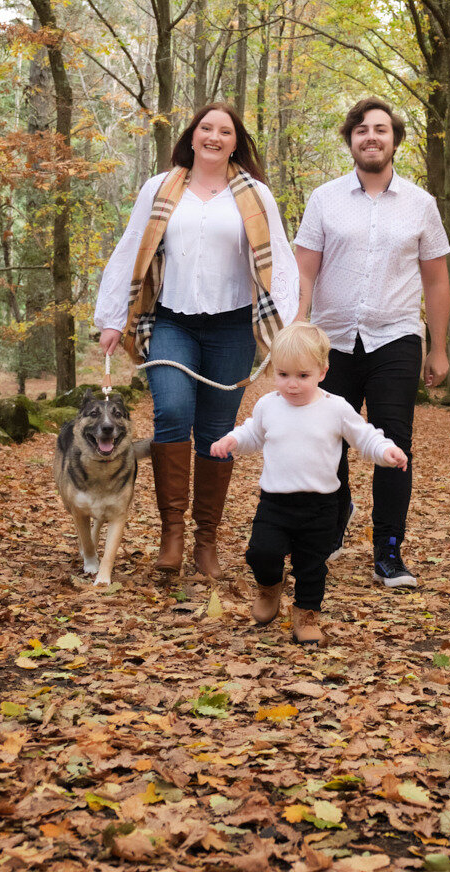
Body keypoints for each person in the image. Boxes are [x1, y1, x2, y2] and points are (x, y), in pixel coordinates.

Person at [93, 102, 298, 580]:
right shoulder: (162, 188)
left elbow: (280, 258)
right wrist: (110, 318)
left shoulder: (255, 194)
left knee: (214, 433)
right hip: (170, 323)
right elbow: (131, 248)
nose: (214, 137)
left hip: (232, 328)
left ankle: (206, 539)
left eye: (224, 131)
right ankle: (172, 533)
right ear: (192, 135)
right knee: (172, 411)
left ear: (235, 141)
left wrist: (287, 327)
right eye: (206, 128)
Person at [293, 97, 450, 590]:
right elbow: (303, 268)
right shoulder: (324, 199)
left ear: (395, 140)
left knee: (393, 445)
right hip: (331, 339)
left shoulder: (421, 205)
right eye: (361, 130)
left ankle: (388, 551)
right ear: (351, 141)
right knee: (325, 438)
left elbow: (438, 281)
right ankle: (335, 515)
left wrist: (439, 347)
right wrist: (298, 325)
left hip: (396, 338)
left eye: (380, 129)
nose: (371, 137)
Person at [210, 322, 407, 644]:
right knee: (262, 552)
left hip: (320, 506)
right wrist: (232, 440)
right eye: (283, 374)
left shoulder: (335, 408)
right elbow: (252, 433)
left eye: (303, 376)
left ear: (322, 372)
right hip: (274, 502)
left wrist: (386, 451)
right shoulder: (268, 405)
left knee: (311, 565)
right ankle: (269, 588)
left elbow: (364, 436)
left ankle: (306, 614)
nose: (292, 385)